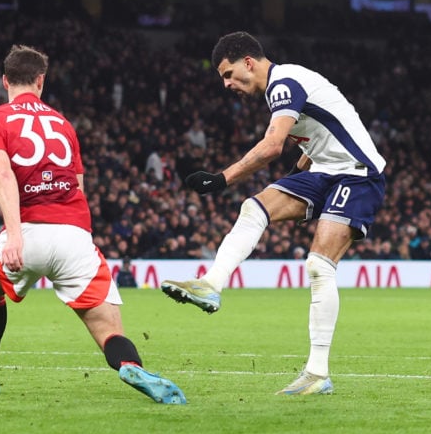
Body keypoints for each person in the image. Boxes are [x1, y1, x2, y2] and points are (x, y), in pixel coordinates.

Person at [160, 31, 387, 396]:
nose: (227, 84)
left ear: (248, 62)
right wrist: (297, 180)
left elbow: (271, 147)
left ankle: (317, 373)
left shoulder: (283, 83)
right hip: (326, 172)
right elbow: (319, 135)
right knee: (256, 206)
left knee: (318, 265)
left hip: (359, 174)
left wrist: (222, 178)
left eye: (229, 74)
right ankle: (212, 284)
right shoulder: (284, 87)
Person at [0, 44, 185, 404]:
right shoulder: (63, 124)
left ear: (4, 81)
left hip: (28, 233)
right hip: (75, 237)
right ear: (41, 81)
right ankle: (130, 363)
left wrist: (14, 236)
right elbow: (77, 187)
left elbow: (3, 175)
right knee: (108, 328)